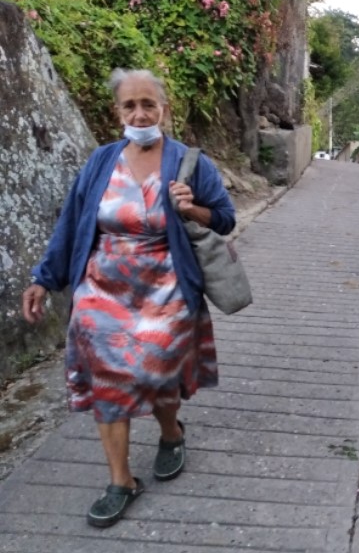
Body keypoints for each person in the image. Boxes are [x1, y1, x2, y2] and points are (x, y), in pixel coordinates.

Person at [21, 68, 236, 528]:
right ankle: (121, 481)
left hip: (167, 284)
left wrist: (190, 207)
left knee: (152, 365)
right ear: (116, 112)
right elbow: (72, 223)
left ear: (165, 109)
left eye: (148, 104)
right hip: (102, 287)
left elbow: (223, 219)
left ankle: (170, 431)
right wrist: (45, 278)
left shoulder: (190, 163)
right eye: (129, 106)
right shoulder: (101, 161)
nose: (139, 113)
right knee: (110, 376)